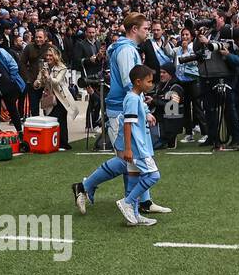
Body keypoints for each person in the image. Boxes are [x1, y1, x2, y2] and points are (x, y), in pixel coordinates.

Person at [73, 14, 170, 217]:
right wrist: (143, 109)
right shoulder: (126, 50)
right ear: (134, 29)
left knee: (135, 157)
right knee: (127, 159)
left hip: (123, 107)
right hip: (121, 110)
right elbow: (130, 84)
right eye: (145, 28)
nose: (148, 32)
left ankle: (142, 202)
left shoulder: (126, 48)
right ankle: (89, 188)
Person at [116, 65, 162, 227]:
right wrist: (128, 148)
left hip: (137, 147)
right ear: (138, 82)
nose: (151, 84)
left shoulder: (136, 97)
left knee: (134, 180)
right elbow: (127, 125)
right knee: (154, 175)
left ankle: (134, 216)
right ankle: (127, 202)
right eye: (149, 82)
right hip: (137, 149)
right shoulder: (133, 99)